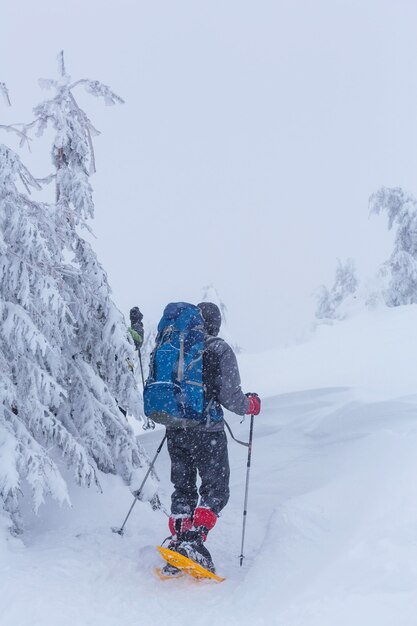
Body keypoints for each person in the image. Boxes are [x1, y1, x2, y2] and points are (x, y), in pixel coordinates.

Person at [161, 302, 261, 576]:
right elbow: (232, 397)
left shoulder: (175, 345)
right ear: (214, 323)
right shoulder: (218, 348)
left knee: (182, 488)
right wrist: (250, 405)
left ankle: (178, 539)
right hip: (207, 433)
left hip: (175, 429)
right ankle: (194, 540)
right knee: (216, 489)